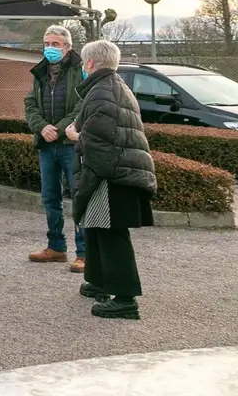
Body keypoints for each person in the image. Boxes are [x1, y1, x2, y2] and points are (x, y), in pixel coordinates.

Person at [66, 39, 156, 320]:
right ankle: (100, 282)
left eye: (84, 62)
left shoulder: (102, 91)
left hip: (112, 173)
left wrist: (75, 135)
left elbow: (100, 138)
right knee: (96, 227)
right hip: (119, 168)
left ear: (91, 63)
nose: (83, 66)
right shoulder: (113, 86)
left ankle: (125, 299)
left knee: (111, 233)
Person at [23, 25, 87, 272]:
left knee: (79, 197)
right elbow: (30, 104)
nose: (49, 48)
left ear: (67, 47)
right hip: (46, 145)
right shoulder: (40, 72)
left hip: (71, 145)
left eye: (55, 44)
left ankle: (85, 253)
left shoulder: (80, 70)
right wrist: (41, 128)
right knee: (50, 197)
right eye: (46, 43)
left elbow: (82, 106)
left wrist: (58, 130)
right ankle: (56, 247)